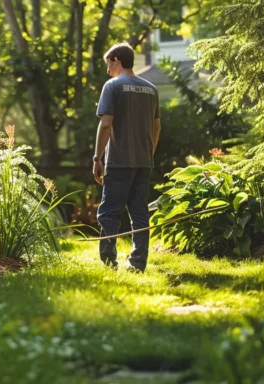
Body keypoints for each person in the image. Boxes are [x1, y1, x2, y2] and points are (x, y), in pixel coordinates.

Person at [92, 42, 161, 272]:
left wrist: (97, 158)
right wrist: (148, 153)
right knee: (140, 214)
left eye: (107, 64)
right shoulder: (151, 89)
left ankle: (109, 263)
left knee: (110, 212)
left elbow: (106, 125)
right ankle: (138, 264)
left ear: (116, 60)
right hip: (144, 161)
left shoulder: (112, 86)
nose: (107, 69)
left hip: (119, 161)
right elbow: (157, 126)